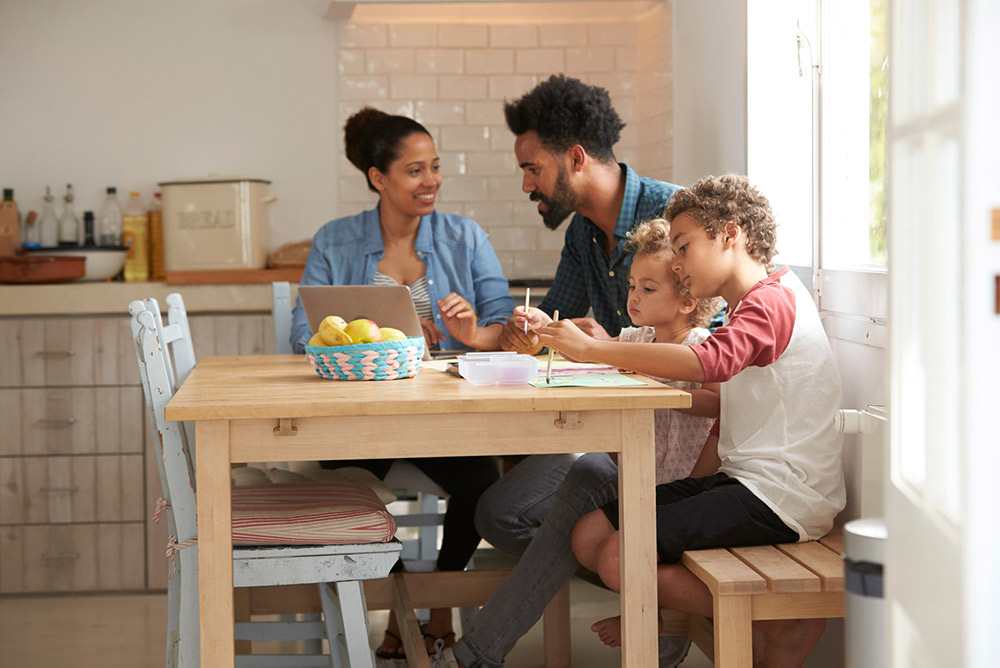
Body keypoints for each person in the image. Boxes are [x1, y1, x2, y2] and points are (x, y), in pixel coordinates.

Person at [538, 174, 845, 667]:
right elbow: (732, 415)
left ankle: (780, 617)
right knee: (589, 533)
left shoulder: (773, 300)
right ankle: (759, 616)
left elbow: (710, 365)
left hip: (785, 497)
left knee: (619, 555)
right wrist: (691, 488)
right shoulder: (749, 305)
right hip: (746, 482)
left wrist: (595, 350)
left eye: (683, 246)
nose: (677, 263)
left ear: (730, 235)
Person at [469, 74, 693, 666]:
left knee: (576, 483)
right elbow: (553, 325)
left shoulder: (677, 219)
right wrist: (525, 331)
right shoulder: (582, 236)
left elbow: (708, 345)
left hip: (676, 443)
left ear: (574, 157)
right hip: (612, 433)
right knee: (497, 511)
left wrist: (607, 344)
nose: (526, 185)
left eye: (531, 168)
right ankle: (647, 599)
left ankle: (653, 608)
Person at [290, 107, 515, 660]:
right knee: (348, 487)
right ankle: (400, 608)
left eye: (435, 167)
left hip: (444, 418)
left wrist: (470, 331)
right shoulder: (335, 242)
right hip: (360, 419)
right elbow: (304, 334)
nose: (431, 180)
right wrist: (385, 343)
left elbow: (509, 324)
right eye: (415, 170)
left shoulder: (465, 237)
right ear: (378, 177)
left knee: (483, 481)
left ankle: (435, 612)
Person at [448, 219, 722, 668]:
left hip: (680, 489)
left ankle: (657, 628)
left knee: (588, 485)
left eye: (648, 289)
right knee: (585, 477)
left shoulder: (700, 344)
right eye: (632, 285)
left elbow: (716, 403)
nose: (632, 297)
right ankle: (481, 653)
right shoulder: (637, 339)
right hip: (637, 472)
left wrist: (658, 391)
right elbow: (602, 352)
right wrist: (545, 327)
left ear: (687, 301)